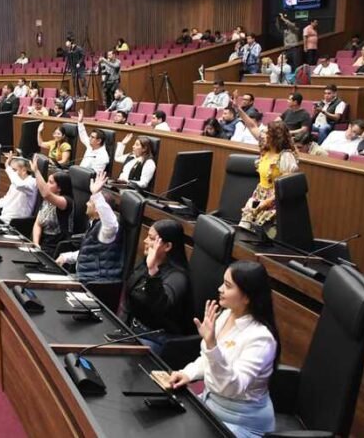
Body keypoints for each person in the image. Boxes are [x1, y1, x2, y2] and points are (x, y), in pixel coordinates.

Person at [169, 261, 280, 437]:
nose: (220, 289)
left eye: (228, 286)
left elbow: (232, 387)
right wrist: (188, 373)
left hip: (240, 422)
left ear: (247, 297)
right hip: (210, 405)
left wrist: (212, 345)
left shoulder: (261, 338)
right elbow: (208, 359)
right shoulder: (226, 314)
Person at [120, 219, 191, 353]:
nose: (145, 241)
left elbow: (160, 308)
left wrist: (152, 271)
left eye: (151, 238)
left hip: (156, 339)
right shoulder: (146, 264)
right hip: (133, 329)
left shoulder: (178, 277)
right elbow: (129, 296)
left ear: (167, 246)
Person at [233, 101, 299, 232]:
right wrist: (238, 109)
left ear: (275, 138)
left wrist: (266, 203)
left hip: (275, 202)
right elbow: (252, 125)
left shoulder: (286, 157)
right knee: (244, 231)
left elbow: (285, 187)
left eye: (267, 133)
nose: (263, 135)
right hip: (259, 195)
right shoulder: (266, 149)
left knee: (261, 234)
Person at [55, 170, 124, 282]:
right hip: (85, 277)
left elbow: (111, 224)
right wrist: (67, 257)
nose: (87, 204)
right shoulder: (94, 225)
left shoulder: (105, 231)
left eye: (90, 202)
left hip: (95, 282)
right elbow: (89, 254)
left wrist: (96, 195)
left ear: (98, 208)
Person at [31, 160, 74, 257]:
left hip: (55, 249)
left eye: (50, 182)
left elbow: (46, 194)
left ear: (59, 188)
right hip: (42, 244)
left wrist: (36, 171)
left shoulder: (66, 201)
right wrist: (36, 243)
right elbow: (38, 224)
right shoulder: (47, 201)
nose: (47, 184)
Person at [0, 153, 38, 223]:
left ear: (24, 170)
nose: (12, 173)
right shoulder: (15, 182)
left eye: (14, 170)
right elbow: (6, 198)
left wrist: (8, 168)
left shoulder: (32, 182)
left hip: (15, 222)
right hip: (3, 218)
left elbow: (19, 185)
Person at [75, 109, 109, 173]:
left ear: (99, 141)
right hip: (79, 172)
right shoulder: (91, 146)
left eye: (92, 137)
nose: (89, 138)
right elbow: (83, 135)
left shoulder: (103, 156)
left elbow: (95, 174)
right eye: (90, 136)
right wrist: (80, 122)